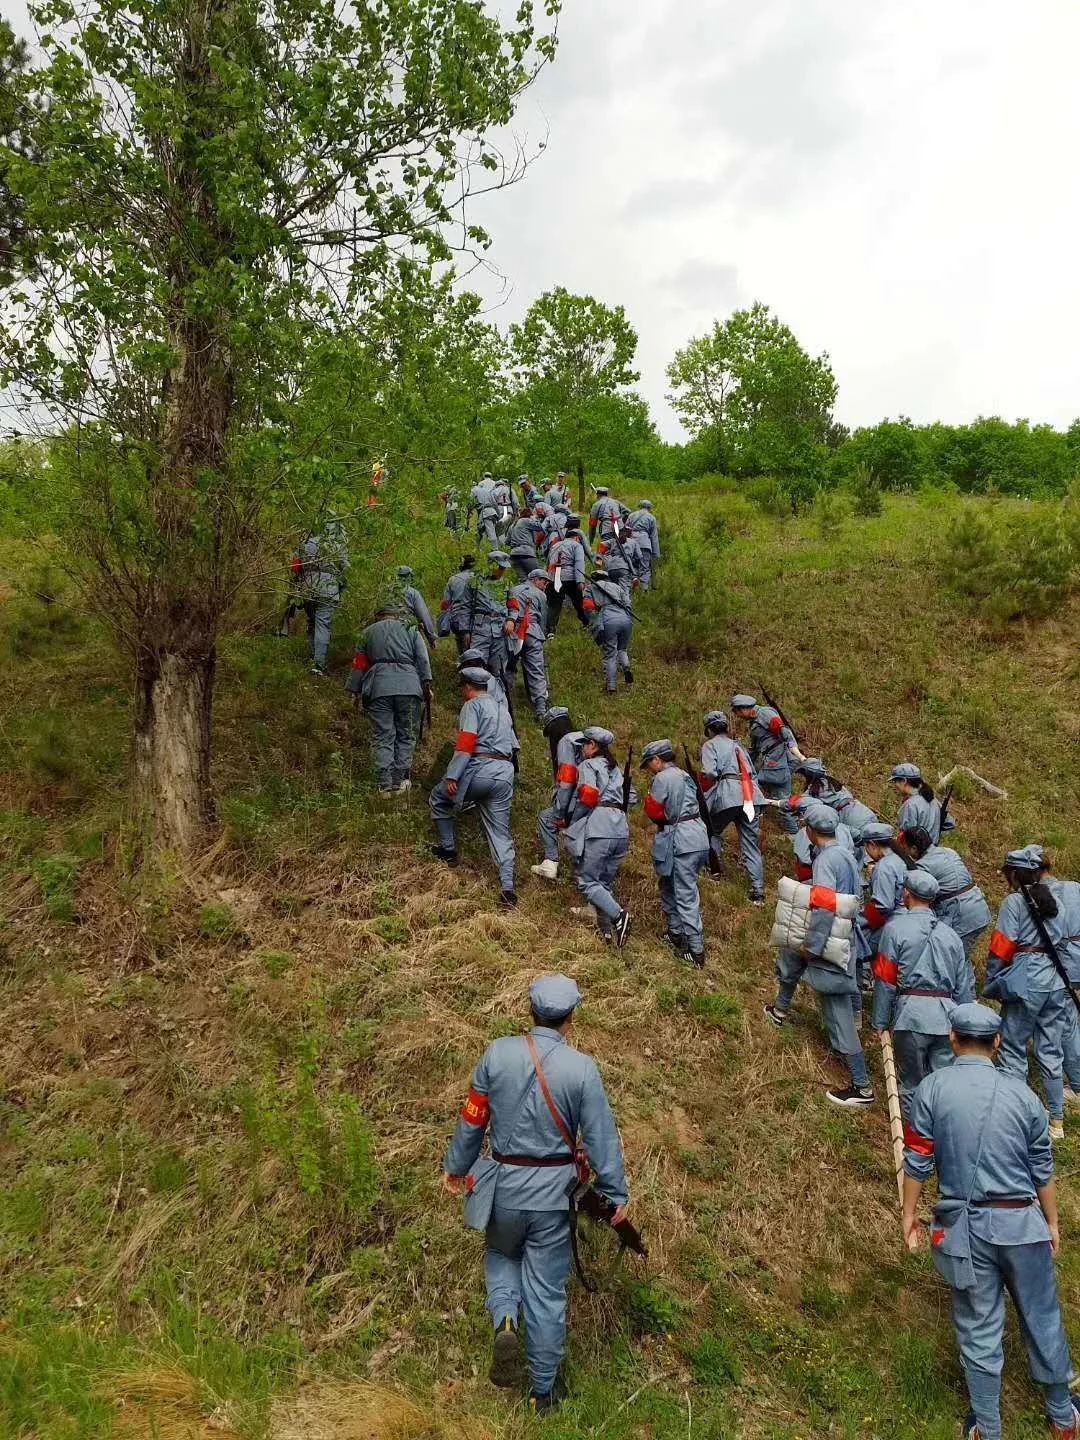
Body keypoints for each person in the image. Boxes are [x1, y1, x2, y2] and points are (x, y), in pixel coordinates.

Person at [442, 974, 628, 1415]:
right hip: (553, 1202)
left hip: (503, 1192)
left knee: (502, 1257)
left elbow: (472, 1120)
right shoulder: (582, 1069)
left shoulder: (496, 1054)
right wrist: (614, 1195)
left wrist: (456, 1168)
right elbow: (602, 1138)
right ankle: (542, 1392)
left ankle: (505, 1318)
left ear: (530, 1011)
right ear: (572, 1017)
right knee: (546, 1290)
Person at [902, 1002, 1079, 1440]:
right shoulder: (1025, 1096)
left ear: (952, 1039)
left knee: (978, 1324)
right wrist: (1051, 1222)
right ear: (998, 1043)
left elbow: (917, 1160)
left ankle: (987, 1427)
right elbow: (1043, 1168)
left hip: (965, 1229)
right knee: (1042, 1316)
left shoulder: (930, 1089)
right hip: (1022, 1223)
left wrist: (908, 1215)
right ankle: (1063, 1416)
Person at [764, 803, 873, 1107]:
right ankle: (780, 1010)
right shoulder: (847, 856)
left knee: (837, 1011)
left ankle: (862, 1086)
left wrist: (813, 944)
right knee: (790, 958)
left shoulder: (826, 861)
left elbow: (825, 906)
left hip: (829, 940)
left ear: (810, 831)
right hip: (843, 934)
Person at [984, 846, 1074, 1142]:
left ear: (1014, 874)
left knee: (1012, 1046)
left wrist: (994, 976)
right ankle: (1057, 1120)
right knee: (1050, 1050)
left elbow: (1002, 945)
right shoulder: (1055, 898)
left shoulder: (1014, 902)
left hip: (1027, 979)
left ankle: (1016, 1116)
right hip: (1055, 978)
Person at [871, 869, 974, 1114]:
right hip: (947, 1019)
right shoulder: (951, 936)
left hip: (911, 1017)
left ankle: (916, 1142)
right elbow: (963, 987)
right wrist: (966, 1026)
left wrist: (880, 1020)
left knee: (912, 1084)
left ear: (907, 893)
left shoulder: (894, 929)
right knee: (944, 1084)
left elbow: (885, 979)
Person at [429, 667, 518, 904]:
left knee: (439, 798)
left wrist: (452, 775)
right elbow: (514, 746)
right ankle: (508, 886)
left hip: (480, 768)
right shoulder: (503, 709)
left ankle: (448, 851)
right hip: (504, 772)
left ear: (468, 687)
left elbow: (466, 743)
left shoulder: (472, 706)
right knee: (499, 832)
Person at [346, 602, 432, 795]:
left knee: (383, 735)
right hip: (409, 687)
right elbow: (422, 659)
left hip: (378, 687)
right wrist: (427, 684)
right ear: (398, 615)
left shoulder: (367, 632)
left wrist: (354, 690)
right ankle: (399, 780)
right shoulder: (411, 629)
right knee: (406, 734)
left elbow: (359, 664)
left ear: (379, 615)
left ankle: (384, 783)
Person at [641, 739, 710, 967]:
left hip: (680, 838)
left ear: (657, 759)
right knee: (669, 884)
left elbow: (655, 811)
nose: (648, 768)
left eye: (648, 763)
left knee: (684, 893)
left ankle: (695, 950)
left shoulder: (662, 778)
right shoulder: (684, 775)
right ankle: (675, 932)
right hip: (697, 836)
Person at [563, 727, 633, 946]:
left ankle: (619, 915)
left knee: (587, 880)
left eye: (585, 744)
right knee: (604, 882)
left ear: (593, 746)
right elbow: (632, 798)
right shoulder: (617, 770)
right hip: (621, 828)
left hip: (599, 825)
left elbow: (589, 794)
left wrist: (574, 821)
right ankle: (606, 930)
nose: (582, 748)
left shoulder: (588, 765)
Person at [698, 710, 765, 906]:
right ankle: (758, 891)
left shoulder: (710, 745)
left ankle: (713, 871)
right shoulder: (738, 745)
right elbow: (752, 770)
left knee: (712, 831)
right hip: (751, 795)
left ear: (709, 729)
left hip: (728, 794)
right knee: (751, 845)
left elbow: (710, 772)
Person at [905, 826, 992, 960]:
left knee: (949, 958)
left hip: (962, 915)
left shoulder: (923, 866)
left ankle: (964, 981)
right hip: (979, 908)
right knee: (959, 956)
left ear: (914, 849)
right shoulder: (948, 851)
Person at [284, 515, 349, 675]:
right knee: (322, 625)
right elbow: (345, 568)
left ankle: (314, 658)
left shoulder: (305, 544)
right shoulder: (336, 545)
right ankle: (318, 664)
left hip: (307, 590)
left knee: (312, 623)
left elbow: (295, 568)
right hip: (328, 590)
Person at [731, 694, 804, 834]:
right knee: (782, 800)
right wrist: (742, 764)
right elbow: (755, 750)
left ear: (744, 709)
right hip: (775, 763)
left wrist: (800, 756)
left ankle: (756, 816)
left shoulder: (765, 714)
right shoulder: (753, 724)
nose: (738, 716)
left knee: (753, 784)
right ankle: (795, 831)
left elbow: (785, 733)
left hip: (778, 763)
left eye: (737, 712)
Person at [531, 709, 583, 883]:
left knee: (546, 818)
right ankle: (580, 873)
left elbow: (567, 781)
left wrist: (560, 812)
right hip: (592, 801)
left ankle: (550, 862)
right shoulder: (584, 738)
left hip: (576, 800)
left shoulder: (565, 742)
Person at [793, 759, 877, 860]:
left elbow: (799, 802)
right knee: (873, 848)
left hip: (851, 819)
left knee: (858, 853)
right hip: (863, 811)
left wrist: (777, 803)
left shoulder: (815, 789)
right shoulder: (832, 782)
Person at [506, 570, 551, 723]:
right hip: (533, 631)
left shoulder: (513, 590)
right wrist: (542, 635)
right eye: (544, 582)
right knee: (536, 670)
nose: (545, 586)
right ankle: (540, 708)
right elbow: (543, 620)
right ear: (535, 579)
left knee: (509, 666)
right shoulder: (541, 596)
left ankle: (506, 700)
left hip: (513, 631)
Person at [582, 565, 634, 693]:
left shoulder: (590, 588)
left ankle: (611, 686)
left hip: (608, 618)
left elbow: (588, 607)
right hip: (626, 619)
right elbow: (628, 604)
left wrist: (593, 621)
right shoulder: (617, 587)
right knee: (622, 648)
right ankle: (626, 667)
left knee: (610, 653)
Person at [890, 762, 956, 844]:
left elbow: (907, 836)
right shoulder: (933, 800)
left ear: (904, 781)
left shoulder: (910, 805)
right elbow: (950, 823)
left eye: (895, 781)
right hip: (933, 852)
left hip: (915, 854)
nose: (895, 785)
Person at [545, 527, 591, 634]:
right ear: (576, 538)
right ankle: (587, 624)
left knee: (554, 605)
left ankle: (550, 631)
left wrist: (547, 578)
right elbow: (579, 562)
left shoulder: (555, 546)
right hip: (570, 577)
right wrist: (580, 581)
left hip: (554, 577)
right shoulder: (577, 545)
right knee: (579, 603)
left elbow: (548, 563)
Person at [437, 555, 478, 655]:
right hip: (475, 621)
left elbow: (445, 604)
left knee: (462, 650)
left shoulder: (452, 579)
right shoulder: (478, 579)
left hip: (456, 620)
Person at [393, 565, 437, 646]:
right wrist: (431, 637)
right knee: (421, 658)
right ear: (408, 576)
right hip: (407, 630)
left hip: (388, 629)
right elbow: (423, 616)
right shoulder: (413, 593)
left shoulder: (386, 592)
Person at [626, 499, 660, 589]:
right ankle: (644, 590)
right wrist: (656, 553)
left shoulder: (631, 515)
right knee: (645, 568)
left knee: (632, 566)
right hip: (645, 544)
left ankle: (632, 588)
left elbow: (626, 530)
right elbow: (654, 537)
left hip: (632, 543)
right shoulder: (651, 517)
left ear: (639, 506)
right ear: (649, 508)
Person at [468, 473, 501, 545]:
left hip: (484, 511)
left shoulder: (477, 487)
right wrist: (498, 514)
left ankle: (495, 549)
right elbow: (495, 502)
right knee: (481, 528)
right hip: (493, 510)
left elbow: (470, 503)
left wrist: (469, 512)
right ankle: (478, 546)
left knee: (490, 531)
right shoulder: (494, 484)